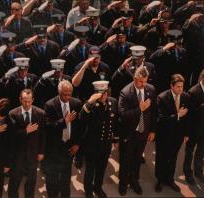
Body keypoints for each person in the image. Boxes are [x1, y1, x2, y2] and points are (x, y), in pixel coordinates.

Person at [118, 66, 156, 196]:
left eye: (145, 81)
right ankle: (123, 184)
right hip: (129, 134)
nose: (144, 85)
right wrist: (140, 109)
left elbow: (153, 112)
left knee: (136, 160)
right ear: (135, 78)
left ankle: (134, 181)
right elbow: (122, 114)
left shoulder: (150, 89)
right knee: (125, 160)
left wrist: (152, 131)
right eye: (141, 82)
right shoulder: (125, 92)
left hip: (143, 133)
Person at [43, 80, 83, 198]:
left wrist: (77, 144)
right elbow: (48, 126)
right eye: (64, 94)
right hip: (54, 148)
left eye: (69, 94)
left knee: (66, 176)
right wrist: (64, 122)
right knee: (52, 177)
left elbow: (81, 126)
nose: (67, 97)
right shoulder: (49, 105)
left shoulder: (76, 103)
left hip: (69, 147)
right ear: (59, 92)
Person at [79, 81, 118, 198]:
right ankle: (88, 190)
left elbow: (115, 122)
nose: (102, 96)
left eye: (104, 93)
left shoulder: (113, 102)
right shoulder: (91, 105)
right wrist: (89, 102)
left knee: (101, 168)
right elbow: (81, 118)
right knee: (90, 169)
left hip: (106, 144)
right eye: (99, 93)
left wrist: (115, 139)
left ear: (107, 93)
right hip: (92, 144)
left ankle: (98, 187)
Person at [8, 89, 46, 198]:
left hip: (33, 155)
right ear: (20, 100)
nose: (27, 104)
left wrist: (41, 152)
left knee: (31, 182)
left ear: (33, 100)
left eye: (29, 101)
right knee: (15, 181)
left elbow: (43, 134)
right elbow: (11, 136)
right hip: (18, 155)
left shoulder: (40, 113)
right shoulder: (12, 114)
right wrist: (25, 131)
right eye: (25, 101)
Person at [155, 74, 190, 193]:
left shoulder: (185, 97)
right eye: (178, 86)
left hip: (178, 135)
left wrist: (186, 134)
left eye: (182, 86)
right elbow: (161, 119)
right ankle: (160, 180)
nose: (180, 89)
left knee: (173, 157)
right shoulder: (162, 97)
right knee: (162, 157)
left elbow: (188, 118)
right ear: (171, 86)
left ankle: (170, 179)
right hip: (164, 135)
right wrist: (177, 116)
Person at [183, 69, 204, 185]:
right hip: (193, 130)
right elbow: (188, 115)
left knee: (201, 152)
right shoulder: (193, 92)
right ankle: (187, 172)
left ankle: (198, 172)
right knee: (189, 152)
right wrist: (186, 133)